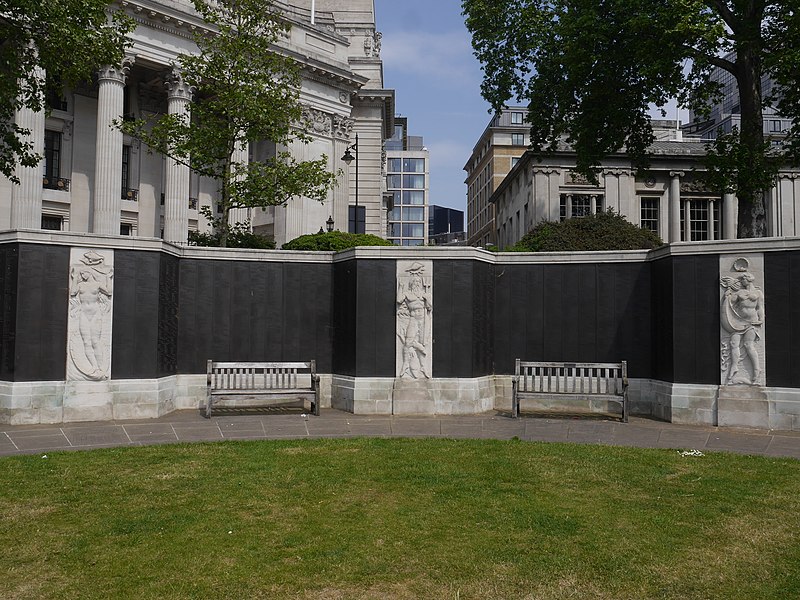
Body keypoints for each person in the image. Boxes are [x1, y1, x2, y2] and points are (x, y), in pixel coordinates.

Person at [721, 272, 765, 384]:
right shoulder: (739, 292)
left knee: (748, 345)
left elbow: (760, 307)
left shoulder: (758, 292)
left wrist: (761, 319)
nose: (741, 281)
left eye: (743, 279)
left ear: (748, 280)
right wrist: (727, 295)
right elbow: (730, 302)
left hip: (752, 322)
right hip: (738, 321)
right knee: (733, 343)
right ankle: (734, 367)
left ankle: (756, 370)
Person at [70, 266, 112, 379]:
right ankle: (94, 367)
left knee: (95, 341)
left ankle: (102, 368)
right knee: (86, 342)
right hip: (84, 314)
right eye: (81, 274)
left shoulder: (97, 284)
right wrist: (74, 278)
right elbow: (73, 292)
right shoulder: (80, 285)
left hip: (95, 314)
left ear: (89, 273)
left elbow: (109, 292)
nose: (82, 276)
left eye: (84, 273)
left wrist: (108, 277)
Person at [397, 269, 432, 379]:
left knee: (424, 342)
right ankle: (405, 364)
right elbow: (398, 300)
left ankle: (423, 367)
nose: (417, 283)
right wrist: (401, 287)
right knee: (407, 343)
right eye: (415, 282)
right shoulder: (407, 294)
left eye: (418, 282)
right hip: (413, 319)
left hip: (423, 319)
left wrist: (428, 299)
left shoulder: (424, 294)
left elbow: (430, 308)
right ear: (411, 283)